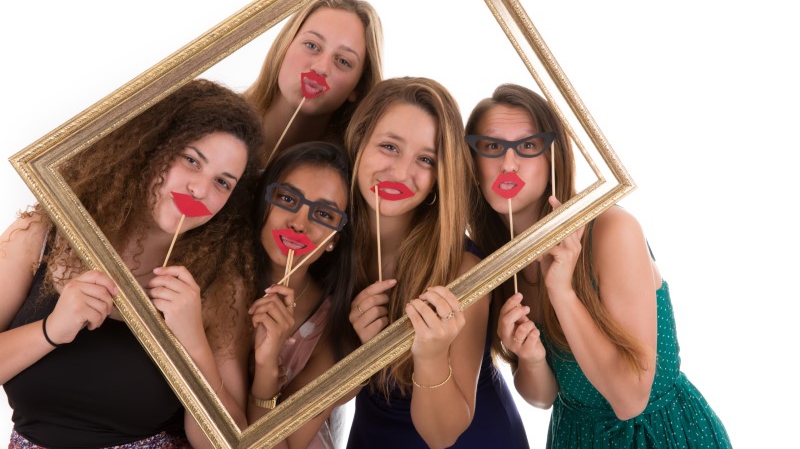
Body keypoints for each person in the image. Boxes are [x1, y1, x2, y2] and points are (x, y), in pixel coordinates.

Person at [0, 79, 265, 448]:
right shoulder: (43, 235)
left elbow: (226, 443)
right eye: (191, 161)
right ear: (153, 147)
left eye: (222, 182)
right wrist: (51, 330)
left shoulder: (221, 285)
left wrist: (193, 345)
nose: (200, 190)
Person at [465, 83, 732, 447]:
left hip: (659, 435)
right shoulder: (496, 260)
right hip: (575, 436)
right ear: (471, 162)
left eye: (528, 146)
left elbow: (631, 400)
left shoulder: (611, 230)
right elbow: (544, 398)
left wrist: (562, 292)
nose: (508, 163)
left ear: (554, 156)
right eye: (491, 147)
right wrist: (531, 359)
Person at [344, 77, 529, 449]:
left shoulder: (462, 270)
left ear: (440, 177)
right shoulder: (328, 243)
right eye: (389, 146)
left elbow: (442, 434)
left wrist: (430, 356)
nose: (401, 173)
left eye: (425, 159)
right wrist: (355, 352)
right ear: (358, 141)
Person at [246, 141, 357, 448]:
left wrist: (267, 367)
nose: (298, 223)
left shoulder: (335, 328)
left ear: (335, 240)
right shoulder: (219, 282)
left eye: (324, 214)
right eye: (286, 198)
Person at [244, 0, 384, 159]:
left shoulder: (349, 169)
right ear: (284, 46)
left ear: (358, 87)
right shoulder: (219, 124)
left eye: (343, 61)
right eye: (311, 45)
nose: (321, 68)